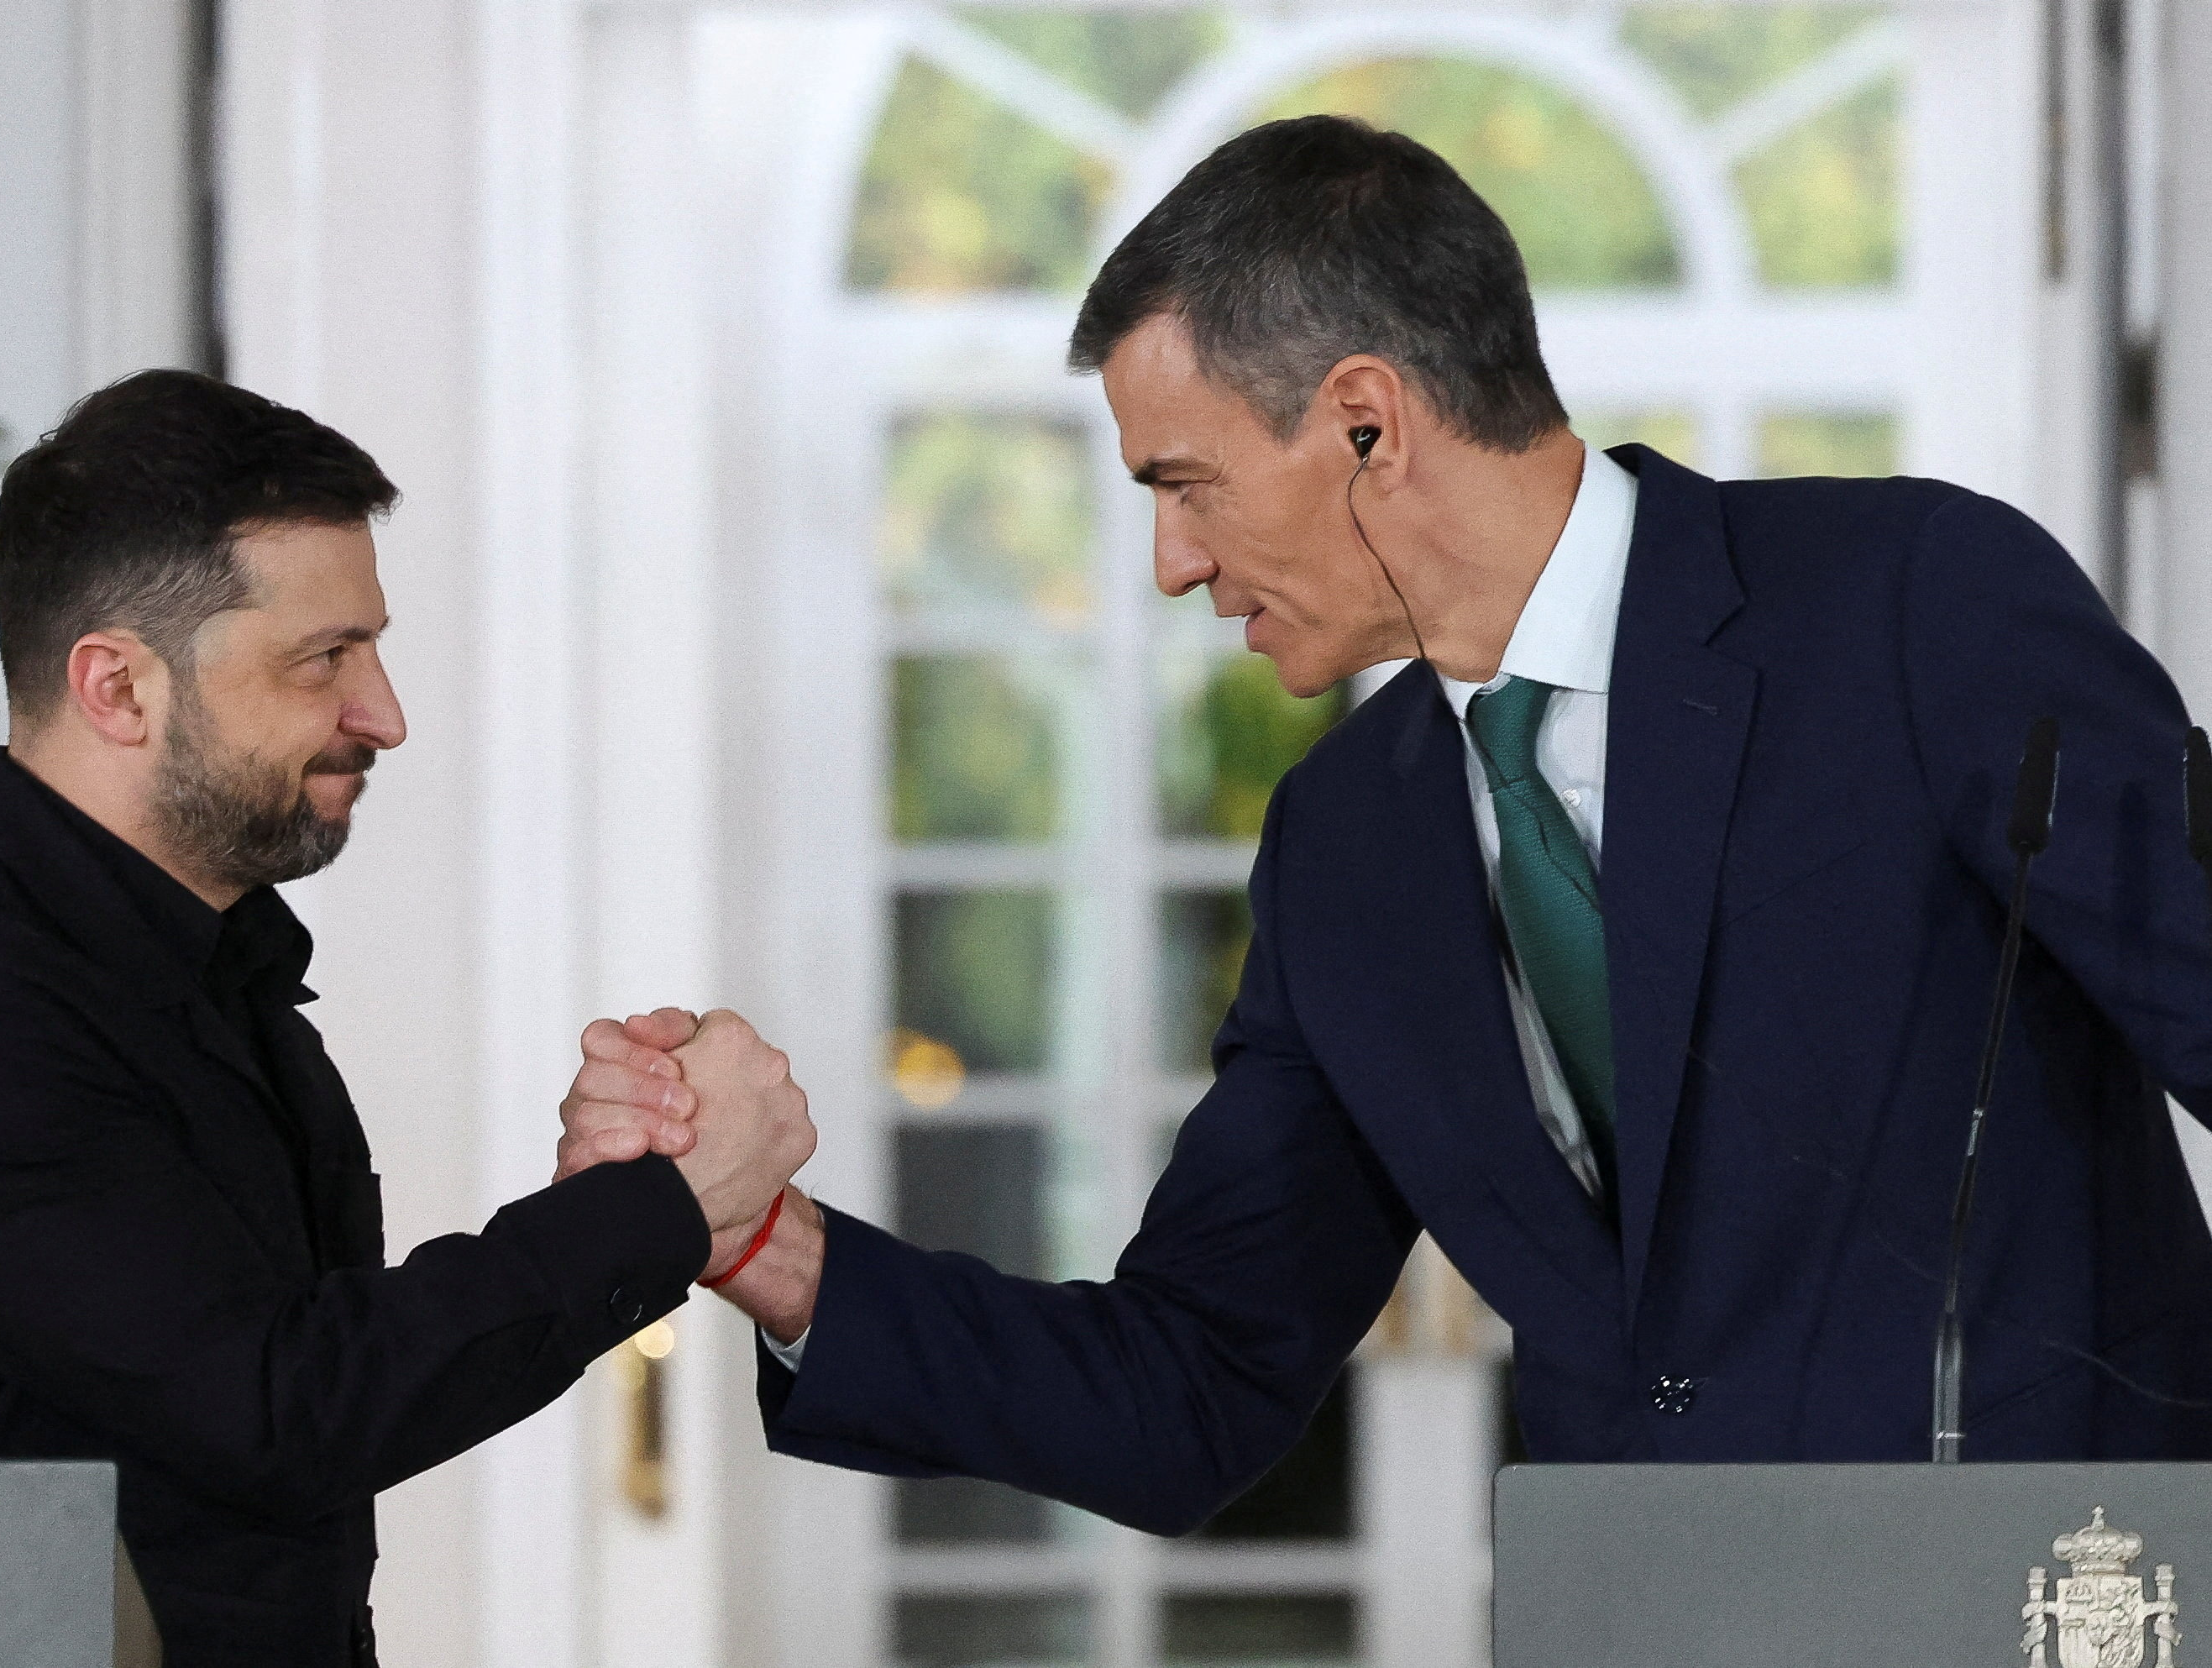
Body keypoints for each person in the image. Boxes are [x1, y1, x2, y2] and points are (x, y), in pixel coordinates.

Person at [555, 116, 2212, 1529]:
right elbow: (1189, 1378)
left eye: (1180, 483)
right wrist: (760, 1244)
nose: (1171, 565)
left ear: (1365, 419)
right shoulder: (1347, 843)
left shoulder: (1908, 605)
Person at [0, 370, 814, 1668]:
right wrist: (660, 1208)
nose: (385, 713)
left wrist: (626, 1188)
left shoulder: (206, 967)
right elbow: (279, 1407)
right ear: (117, 688)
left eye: (369, 646)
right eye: (326, 659)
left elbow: (302, 1392)